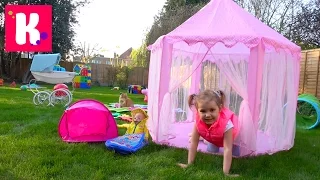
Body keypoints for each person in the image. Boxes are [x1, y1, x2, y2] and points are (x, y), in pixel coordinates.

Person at [177, 89, 240, 177]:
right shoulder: (198, 122)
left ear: (220, 108)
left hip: (230, 139)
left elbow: (227, 149)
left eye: (212, 110)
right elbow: (193, 143)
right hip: (214, 137)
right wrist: (189, 164)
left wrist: (226, 173)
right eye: (203, 111)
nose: (207, 115)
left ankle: (205, 139)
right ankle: (205, 139)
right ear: (197, 110)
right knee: (211, 150)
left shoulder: (227, 124)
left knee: (236, 153)